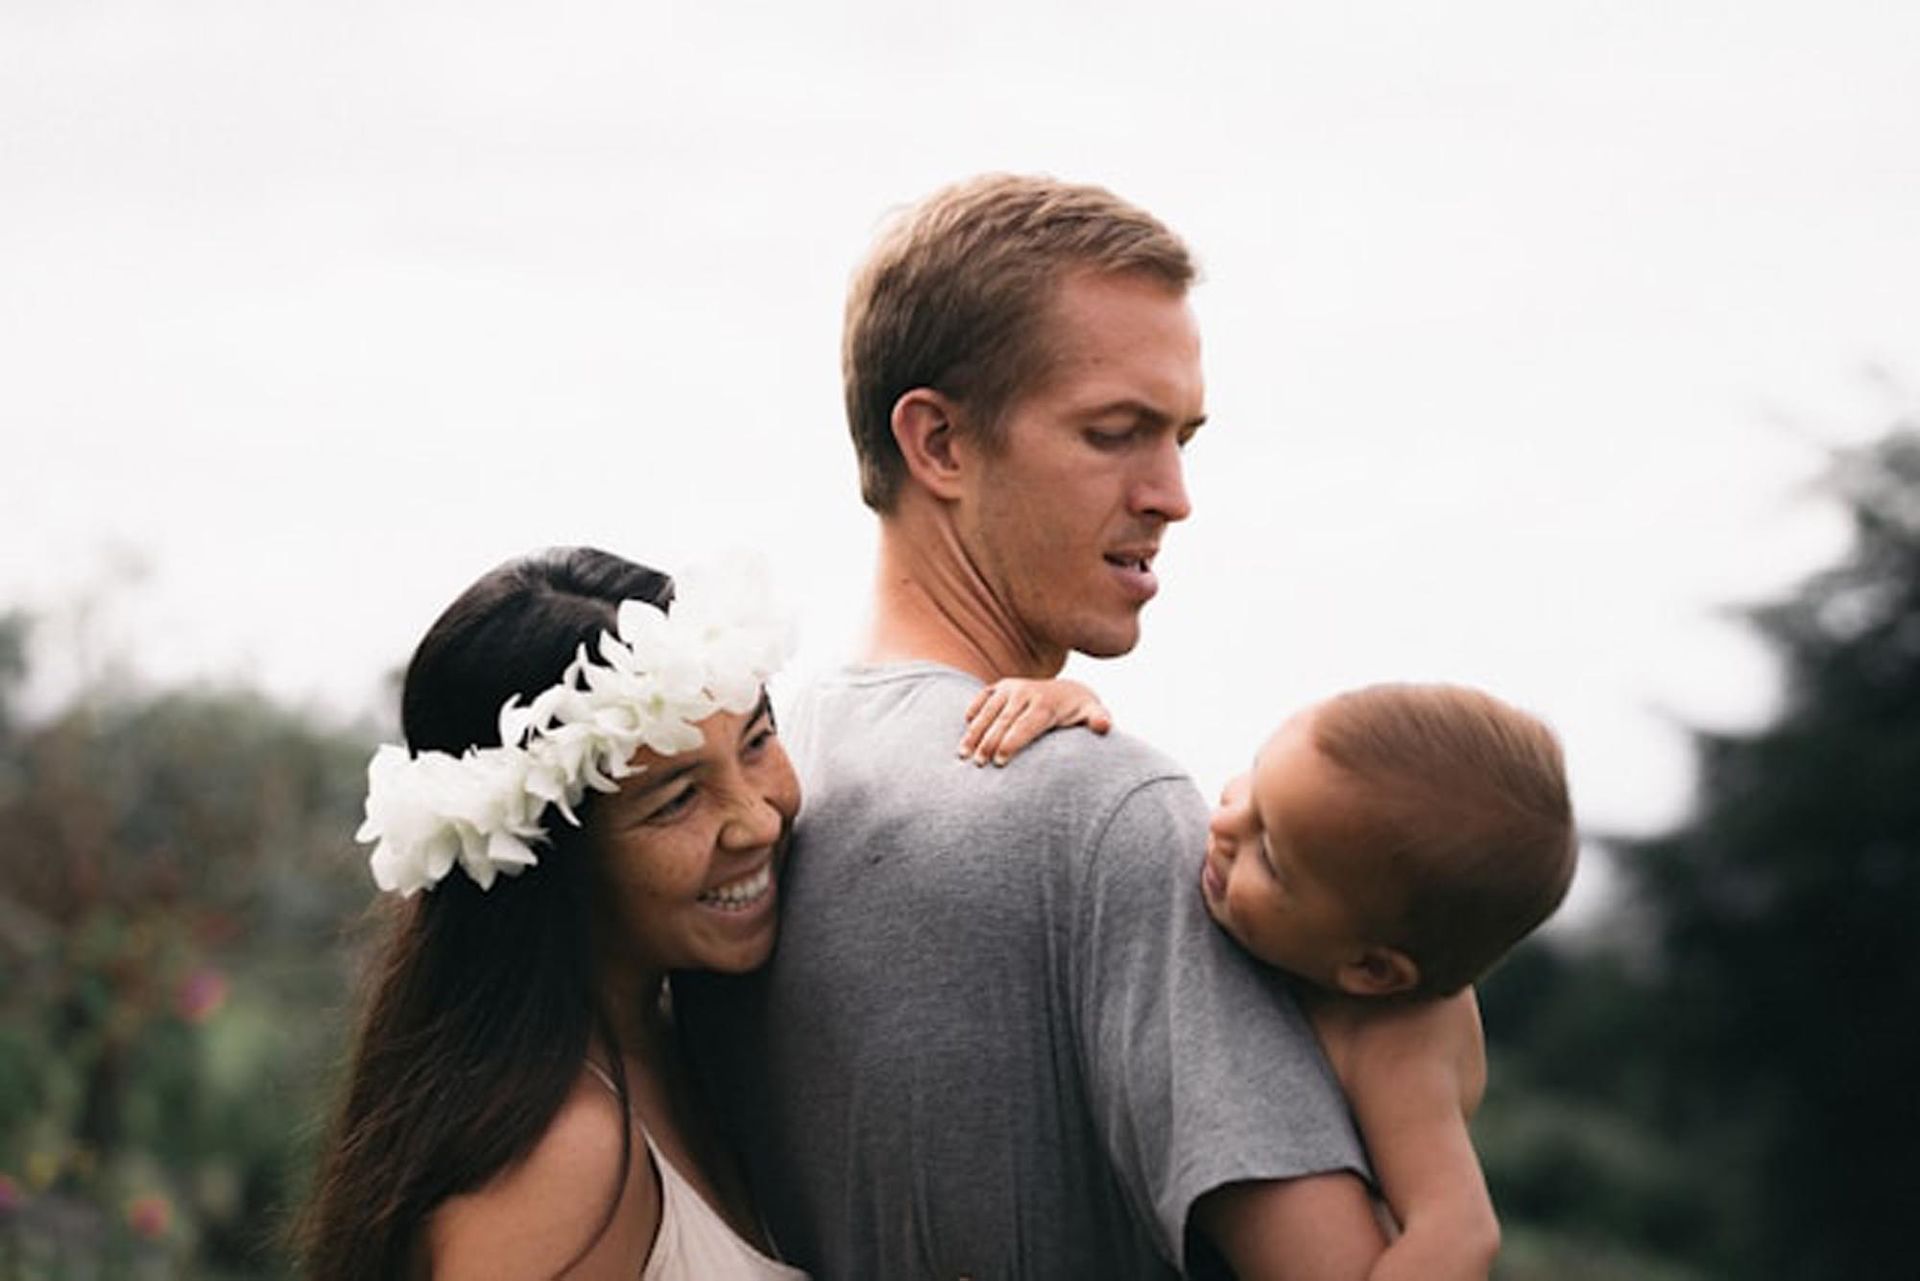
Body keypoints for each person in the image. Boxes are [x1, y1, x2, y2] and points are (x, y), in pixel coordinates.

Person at [678, 175, 1386, 1278]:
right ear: (940, 445)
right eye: (1116, 434)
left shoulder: (751, 800)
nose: (1173, 494)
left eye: (1183, 438)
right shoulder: (1104, 810)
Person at [295, 548, 810, 1281]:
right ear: (547, 857)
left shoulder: (679, 1034)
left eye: (756, 741)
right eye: (677, 799)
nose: (755, 820)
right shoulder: (559, 1164)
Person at [963, 679, 1581, 1279]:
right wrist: (1074, 710)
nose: (1226, 825)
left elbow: (1460, 1231)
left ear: (1371, 970)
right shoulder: (1309, 904)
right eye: (1254, 780)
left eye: (1272, 859)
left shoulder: (1400, 1038)